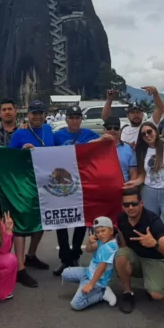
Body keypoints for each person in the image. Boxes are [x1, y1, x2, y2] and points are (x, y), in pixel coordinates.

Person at [128, 121, 164, 286]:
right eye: (143, 133)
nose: (147, 135)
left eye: (150, 131)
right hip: (149, 193)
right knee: (151, 233)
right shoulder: (142, 150)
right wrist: (133, 183)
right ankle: (158, 269)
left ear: (156, 131)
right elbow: (142, 176)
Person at [51, 105, 104, 275]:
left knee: (81, 220)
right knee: (62, 221)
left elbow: (105, 142)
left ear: (81, 119)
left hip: (83, 183)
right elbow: (46, 153)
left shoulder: (89, 134)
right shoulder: (57, 136)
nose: (74, 120)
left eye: (77, 117)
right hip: (63, 183)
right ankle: (64, 258)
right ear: (66, 119)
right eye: (71, 117)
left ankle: (75, 255)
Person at [7, 100, 54, 284]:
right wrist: (22, 150)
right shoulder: (20, 134)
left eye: (40, 113)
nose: (37, 116)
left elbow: (65, 148)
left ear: (44, 115)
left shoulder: (49, 131)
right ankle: (20, 267)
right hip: (24, 185)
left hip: (45, 185)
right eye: (34, 113)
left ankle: (31, 255)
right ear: (28, 115)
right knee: (22, 223)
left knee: (41, 222)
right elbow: (9, 160)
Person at [114, 191, 164, 313]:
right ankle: (127, 293)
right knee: (121, 255)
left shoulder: (153, 221)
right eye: (126, 205)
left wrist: (154, 243)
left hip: (154, 259)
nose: (130, 208)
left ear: (141, 203)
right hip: (136, 256)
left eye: (134, 204)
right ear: (122, 206)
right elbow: (121, 235)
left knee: (157, 295)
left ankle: (158, 277)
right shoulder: (121, 218)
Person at [60, 216, 118, 310]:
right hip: (88, 272)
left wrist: (91, 284)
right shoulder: (103, 241)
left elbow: (102, 267)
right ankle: (85, 287)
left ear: (111, 231)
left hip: (97, 280)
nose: (100, 234)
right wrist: (89, 241)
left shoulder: (110, 247)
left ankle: (102, 293)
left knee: (76, 304)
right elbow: (88, 249)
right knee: (65, 273)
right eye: (98, 232)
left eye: (103, 231)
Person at [104, 117, 138, 183]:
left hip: (123, 187)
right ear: (104, 130)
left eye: (116, 128)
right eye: (109, 128)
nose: (112, 130)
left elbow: (133, 173)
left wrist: (130, 188)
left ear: (120, 131)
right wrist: (100, 140)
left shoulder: (129, 149)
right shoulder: (97, 147)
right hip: (103, 188)